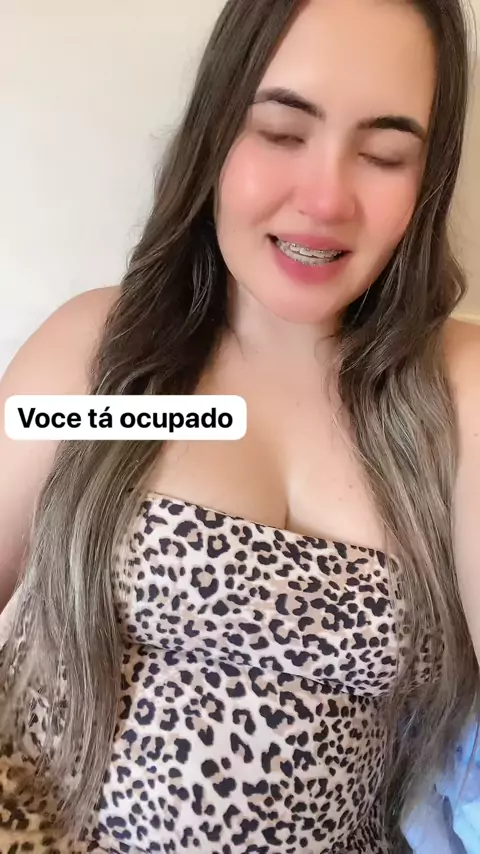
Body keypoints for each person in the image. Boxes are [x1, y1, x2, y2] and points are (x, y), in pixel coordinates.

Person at [0, 0, 479, 851]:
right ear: (217, 133)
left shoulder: (457, 391)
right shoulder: (100, 361)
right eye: (282, 132)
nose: (325, 199)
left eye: (384, 154)